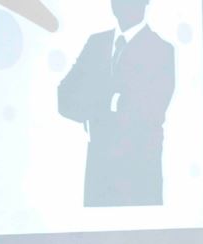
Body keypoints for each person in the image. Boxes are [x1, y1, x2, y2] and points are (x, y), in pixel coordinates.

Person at [58, 0, 175, 206]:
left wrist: (95, 106)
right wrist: (112, 101)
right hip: (98, 179)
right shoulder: (96, 44)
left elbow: (149, 111)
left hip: (139, 180)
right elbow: (64, 96)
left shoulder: (161, 50)